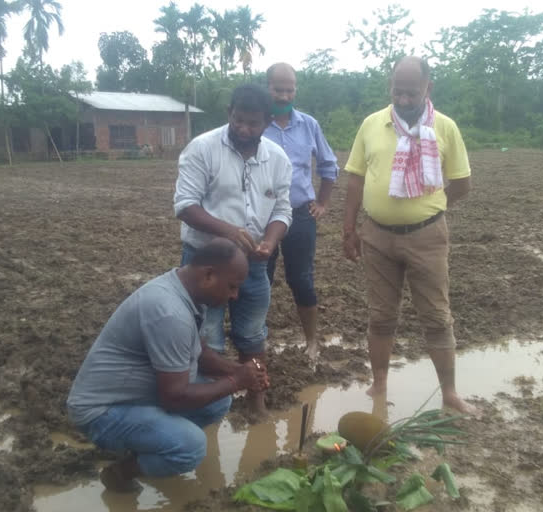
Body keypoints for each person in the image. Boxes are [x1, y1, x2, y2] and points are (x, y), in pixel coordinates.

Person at [66, 239, 270, 492]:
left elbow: (200, 354)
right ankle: (121, 472)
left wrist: (238, 371)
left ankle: (148, 444)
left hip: (132, 397)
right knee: (190, 448)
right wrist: (236, 382)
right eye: (232, 287)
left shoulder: (187, 292)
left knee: (219, 400)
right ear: (208, 275)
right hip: (101, 412)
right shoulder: (169, 312)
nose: (234, 296)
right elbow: (174, 397)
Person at [342, 56, 477, 415]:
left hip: (427, 237)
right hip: (377, 236)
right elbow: (355, 178)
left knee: (436, 316)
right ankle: (379, 385)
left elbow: (462, 183)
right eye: (397, 92)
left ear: (428, 88)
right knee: (381, 316)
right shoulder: (372, 124)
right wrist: (349, 229)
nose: (403, 100)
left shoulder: (445, 128)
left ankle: (449, 394)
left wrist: (434, 205)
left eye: (411, 93)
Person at [174, 84, 292, 418]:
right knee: (207, 337)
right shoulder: (203, 148)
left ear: (268, 121)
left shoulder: (277, 159)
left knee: (252, 334)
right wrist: (228, 231)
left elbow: (283, 210)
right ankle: (210, 409)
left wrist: (270, 240)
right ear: (229, 113)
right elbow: (184, 205)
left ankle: (256, 400)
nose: (243, 129)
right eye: (237, 120)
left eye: (253, 124)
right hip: (205, 265)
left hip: (253, 265)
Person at [263, 63, 339, 359]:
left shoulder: (309, 125)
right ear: (267, 87)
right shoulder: (257, 123)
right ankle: (260, 341)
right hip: (263, 216)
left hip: (300, 215)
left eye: (289, 89)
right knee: (260, 278)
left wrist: (322, 203)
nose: (284, 95)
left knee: (301, 280)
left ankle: (312, 342)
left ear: (296, 89)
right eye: (278, 89)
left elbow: (328, 164)